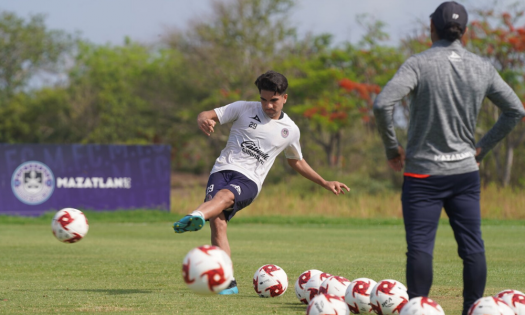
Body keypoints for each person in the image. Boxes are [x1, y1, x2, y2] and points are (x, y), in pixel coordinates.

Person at [373, 2, 525, 314]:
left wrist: (392, 149)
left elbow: (382, 103)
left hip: (422, 176)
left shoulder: (418, 64)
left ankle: (419, 309)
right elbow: (515, 110)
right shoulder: (481, 67)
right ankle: (473, 309)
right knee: (472, 247)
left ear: (431, 28)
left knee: (420, 248)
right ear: (464, 32)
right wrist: (482, 147)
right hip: (465, 174)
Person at [173, 70, 350, 295]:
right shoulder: (243, 108)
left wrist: (324, 182)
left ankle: (197, 215)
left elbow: (297, 162)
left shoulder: (290, 131)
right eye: (264, 99)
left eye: (274, 100)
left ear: (284, 98)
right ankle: (228, 283)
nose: (268, 105)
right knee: (218, 223)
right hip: (221, 170)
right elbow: (205, 114)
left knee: (223, 198)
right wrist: (203, 120)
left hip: (250, 180)